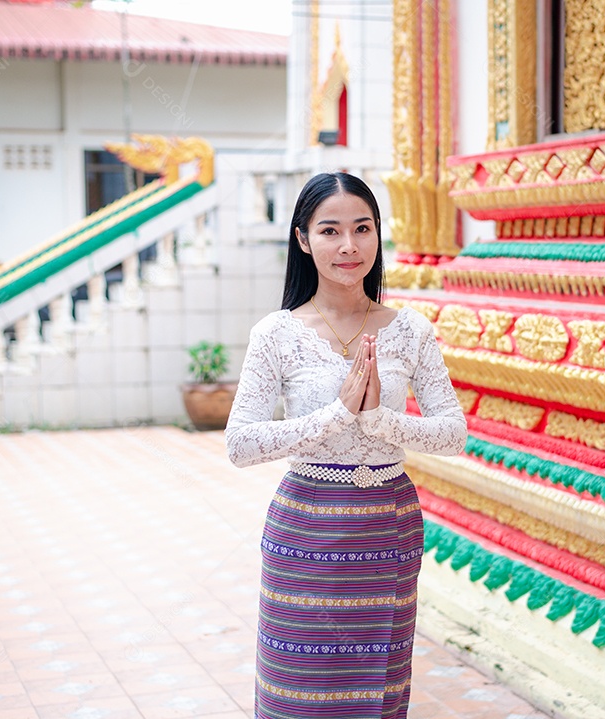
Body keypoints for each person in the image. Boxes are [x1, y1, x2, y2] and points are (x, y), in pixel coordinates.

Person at [225, 172, 467, 719]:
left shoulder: (410, 330)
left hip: (387, 524)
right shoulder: (276, 333)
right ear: (304, 239)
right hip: (307, 529)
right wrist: (336, 415)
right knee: (300, 691)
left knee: (376, 691)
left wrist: (379, 420)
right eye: (330, 231)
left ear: (379, 236)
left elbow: (454, 432)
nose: (349, 246)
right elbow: (239, 444)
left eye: (363, 228)